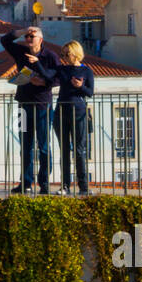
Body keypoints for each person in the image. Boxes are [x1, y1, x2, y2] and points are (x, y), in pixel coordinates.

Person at [1, 26, 58, 194]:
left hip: (42, 105)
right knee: (25, 145)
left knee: (44, 146)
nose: (28, 39)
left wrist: (43, 80)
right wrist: (22, 30)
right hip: (24, 104)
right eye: (26, 36)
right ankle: (25, 183)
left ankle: (44, 183)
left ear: (40, 39)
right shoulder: (21, 52)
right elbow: (4, 40)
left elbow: (57, 78)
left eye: (31, 36)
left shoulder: (50, 56)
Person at [52, 40, 94, 195]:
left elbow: (90, 92)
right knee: (64, 150)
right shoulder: (62, 69)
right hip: (61, 111)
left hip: (79, 112)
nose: (63, 57)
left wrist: (80, 87)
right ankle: (65, 186)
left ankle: (83, 187)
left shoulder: (86, 71)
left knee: (79, 150)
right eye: (62, 54)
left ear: (75, 53)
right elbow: (48, 75)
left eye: (66, 54)